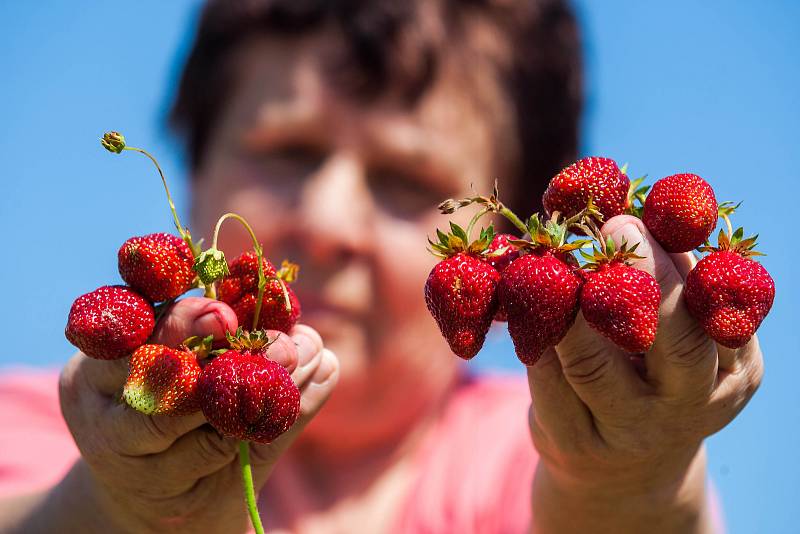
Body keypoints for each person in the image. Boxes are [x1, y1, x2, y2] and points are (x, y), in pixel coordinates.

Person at [0, 0, 762, 532]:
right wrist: (114, 510)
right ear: (191, 166)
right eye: (288, 151)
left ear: (519, 239)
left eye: (409, 182)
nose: (328, 223)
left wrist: (626, 478)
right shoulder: (61, 427)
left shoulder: (519, 452)